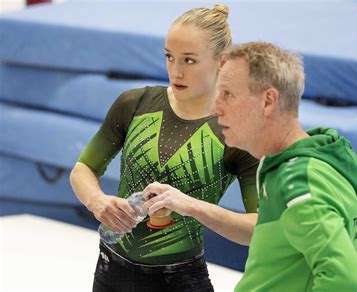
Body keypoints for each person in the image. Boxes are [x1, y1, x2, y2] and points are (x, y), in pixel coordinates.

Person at [69, 4, 259, 292]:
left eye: (189, 61)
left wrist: (192, 206)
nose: (176, 71)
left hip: (180, 279)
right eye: (169, 57)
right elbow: (83, 169)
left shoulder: (235, 129)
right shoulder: (135, 104)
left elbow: (260, 228)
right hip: (111, 271)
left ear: (222, 62)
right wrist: (97, 201)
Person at [210, 42, 357, 291]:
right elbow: (277, 236)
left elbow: (345, 279)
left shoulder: (298, 184)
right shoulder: (297, 159)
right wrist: (191, 207)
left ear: (268, 101)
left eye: (227, 95)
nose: (215, 108)